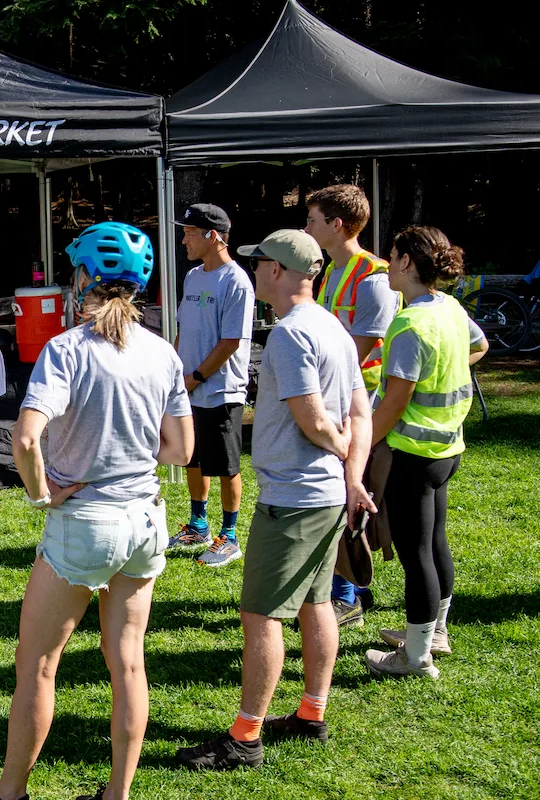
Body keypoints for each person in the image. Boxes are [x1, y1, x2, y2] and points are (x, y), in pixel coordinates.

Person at [0, 222, 193, 800]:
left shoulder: (66, 350)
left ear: (84, 279)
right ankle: (118, 794)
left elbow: (26, 438)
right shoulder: (162, 352)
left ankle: (10, 793)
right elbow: (182, 450)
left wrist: (43, 493)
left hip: (84, 522)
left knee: (37, 665)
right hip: (145, 519)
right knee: (128, 663)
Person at [177, 230, 375, 771]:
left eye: (260, 262)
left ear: (281, 272)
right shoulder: (333, 324)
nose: (255, 270)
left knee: (260, 614)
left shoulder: (290, 335)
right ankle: (312, 714)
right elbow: (361, 411)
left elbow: (314, 418)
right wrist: (351, 474)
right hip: (327, 496)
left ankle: (244, 740)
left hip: (293, 499)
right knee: (315, 605)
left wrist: (337, 452)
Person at [364, 226, 487, 680]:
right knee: (435, 543)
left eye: (392, 255)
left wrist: (363, 447)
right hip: (447, 448)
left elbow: (394, 402)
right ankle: (435, 633)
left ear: (409, 264)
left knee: (415, 552)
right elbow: (481, 346)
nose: (386, 262)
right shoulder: (450, 308)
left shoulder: (409, 323)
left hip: (413, 455)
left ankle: (415, 658)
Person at [305, 184, 400, 627]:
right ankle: (347, 590)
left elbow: (362, 344)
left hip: (360, 405)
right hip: (338, 399)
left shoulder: (374, 276)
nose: (307, 228)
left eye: (313, 220)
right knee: (337, 495)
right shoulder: (334, 271)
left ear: (336, 224)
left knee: (348, 495)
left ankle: (348, 595)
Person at [167, 204, 254, 567]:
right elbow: (183, 330)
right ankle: (199, 525)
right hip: (187, 388)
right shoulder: (192, 276)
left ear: (212, 236)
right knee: (193, 458)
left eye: (189, 232)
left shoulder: (236, 282)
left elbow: (231, 341)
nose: (183, 238)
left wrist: (195, 378)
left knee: (225, 464)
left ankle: (229, 535)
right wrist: (171, 368)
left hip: (220, 390)